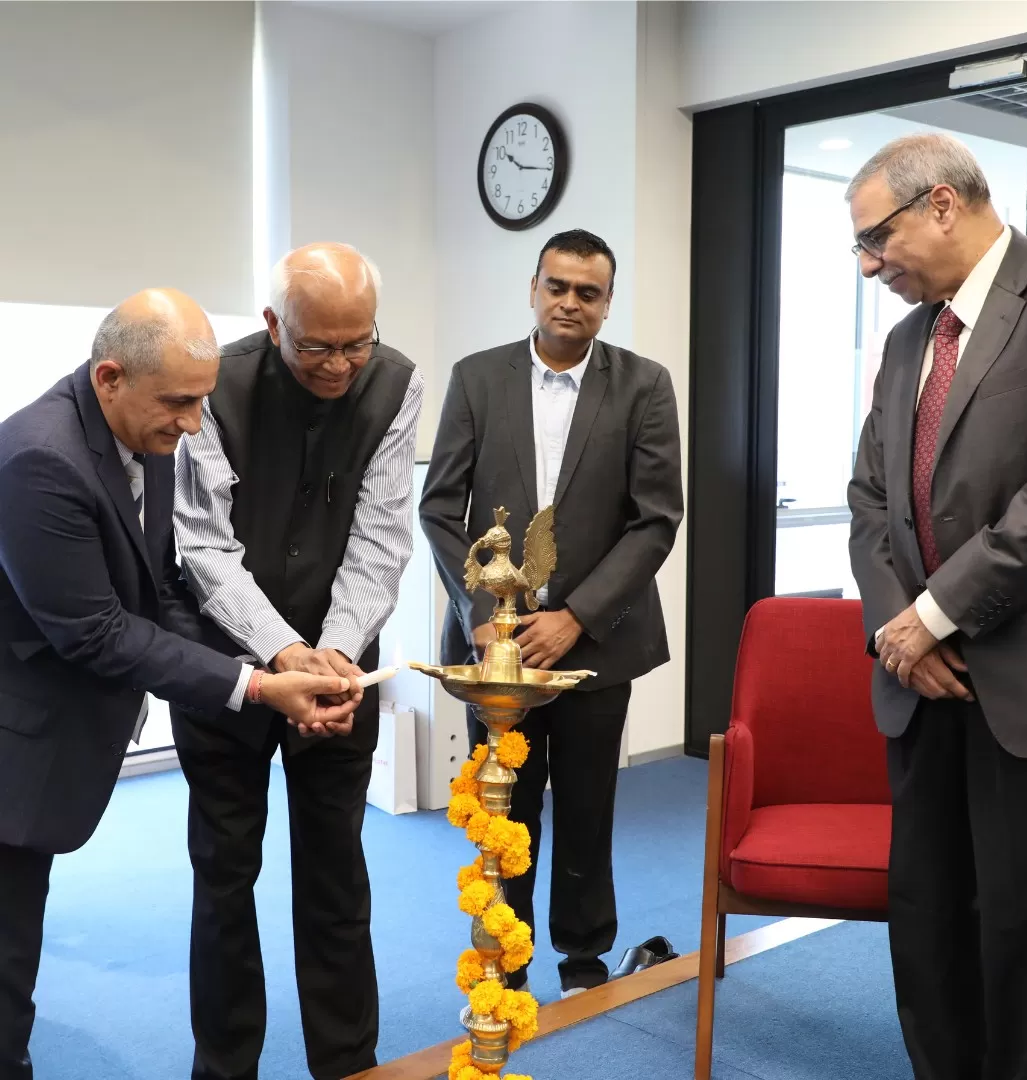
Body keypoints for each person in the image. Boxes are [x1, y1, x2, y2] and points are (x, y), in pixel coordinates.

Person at [0, 288, 359, 1080]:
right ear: (109, 377)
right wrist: (257, 691)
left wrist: (276, 659)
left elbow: (158, 593)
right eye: (179, 403)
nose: (194, 424)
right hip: (18, 747)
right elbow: (97, 630)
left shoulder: (145, 438)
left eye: (202, 401)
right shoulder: (38, 458)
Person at [848, 133, 1027, 1080]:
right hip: (921, 687)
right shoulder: (908, 340)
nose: (869, 266)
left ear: (941, 204)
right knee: (929, 914)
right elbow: (870, 500)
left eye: (876, 239)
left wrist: (935, 613)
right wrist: (901, 632)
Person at [169, 243, 423, 1080]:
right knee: (225, 875)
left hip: (340, 674)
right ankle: (225, 1065)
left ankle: (350, 1064)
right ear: (274, 323)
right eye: (318, 346)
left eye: (359, 342)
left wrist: (337, 653)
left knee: (336, 875)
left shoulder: (398, 381)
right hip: (229, 671)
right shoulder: (215, 383)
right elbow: (203, 544)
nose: (343, 364)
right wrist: (281, 653)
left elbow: (383, 537)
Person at [420, 229, 683, 998]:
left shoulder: (644, 385)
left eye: (588, 292)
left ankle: (583, 954)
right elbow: (441, 510)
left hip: (597, 640)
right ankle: (508, 947)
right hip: (493, 649)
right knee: (507, 806)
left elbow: (656, 518)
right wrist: (478, 608)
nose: (570, 302)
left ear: (606, 305)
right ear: (532, 289)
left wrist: (575, 616)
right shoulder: (477, 378)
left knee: (589, 799)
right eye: (557, 286)